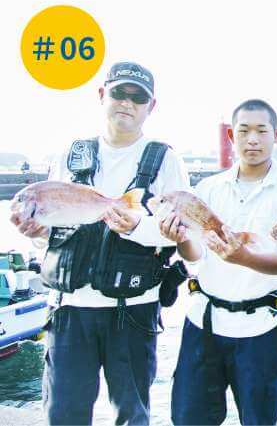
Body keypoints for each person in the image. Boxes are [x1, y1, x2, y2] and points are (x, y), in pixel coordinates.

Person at [10, 61, 191, 425]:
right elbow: (53, 228)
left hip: (133, 309)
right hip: (69, 308)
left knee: (132, 414)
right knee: (63, 415)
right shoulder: (70, 155)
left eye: (138, 97)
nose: (127, 102)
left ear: (151, 106)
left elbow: (180, 229)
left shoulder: (166, 159)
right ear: (101, 95)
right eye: (119, 93)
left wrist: (137, 224)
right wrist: (37, 232)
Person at [160, 99, 277, 425]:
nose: (252, 139)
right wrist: (180, 238)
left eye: (261, 131)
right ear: (231, 135)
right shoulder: (209, 189)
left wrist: (243, 258)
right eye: (243, 131)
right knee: (188, 418)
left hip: (262, 328)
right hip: (203, 324)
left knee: (259, 419)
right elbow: (194, 255)